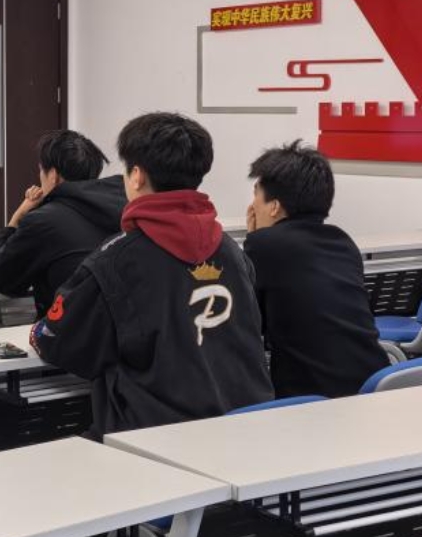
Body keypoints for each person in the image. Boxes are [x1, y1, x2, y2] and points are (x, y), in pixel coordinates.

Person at [31, 112, 272, 437]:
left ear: (136, 176)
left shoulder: (117, 259)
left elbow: (57, 341)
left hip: (153, 440)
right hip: (245, 430)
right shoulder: (233, 252)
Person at [243, 141, 388, 398]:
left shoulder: (264, 245)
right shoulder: (342, 241)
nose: (252, 206)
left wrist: (255, 239)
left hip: (313, 396)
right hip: (372, 382)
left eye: (256, 195)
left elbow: (249, 325)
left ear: (274, 206)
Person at [0, 130, 127, 318]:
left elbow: (2, 279)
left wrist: (18, 216)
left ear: (53, 175)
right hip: (121, 327)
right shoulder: (125, 206)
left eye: (42, 170)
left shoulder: (44, 220)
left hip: (67, 328)